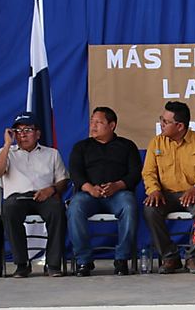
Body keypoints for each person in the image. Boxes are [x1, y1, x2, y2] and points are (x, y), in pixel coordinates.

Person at [0, 111, 69, 278]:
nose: (22, 135)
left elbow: (63, 180)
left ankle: (53, 264)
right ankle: (22, 264)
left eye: (27, 130)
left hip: (44, 196)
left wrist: (51, 190)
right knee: (9, 209)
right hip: (17, 198)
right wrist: (6, 145)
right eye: (18, 131)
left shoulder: (51, 153)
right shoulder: (6, 153)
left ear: (38, 133)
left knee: (57, 209)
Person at [67, 107, 142, 276]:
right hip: (89, 194)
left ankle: (121, 258)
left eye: (99, 122)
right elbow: (75, 172)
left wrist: (118, 185)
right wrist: (89, 188)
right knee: (75, 207)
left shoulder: (127, 146)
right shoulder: (81, 147)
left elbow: (135, 173)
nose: (93, 126)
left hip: (118, 194)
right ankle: (84, 260)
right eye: (92, 122)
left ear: (112, 125)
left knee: (129, 206)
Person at [142, 101, 195, 274]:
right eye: (161, 120)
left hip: (193, 194)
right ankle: (170, 257)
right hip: (165, 195)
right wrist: (154, 190)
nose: (161, 124)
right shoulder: (156, 143)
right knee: (150, 210)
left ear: (180, 126)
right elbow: (148, 172)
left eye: (166, 122)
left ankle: (193, 257)